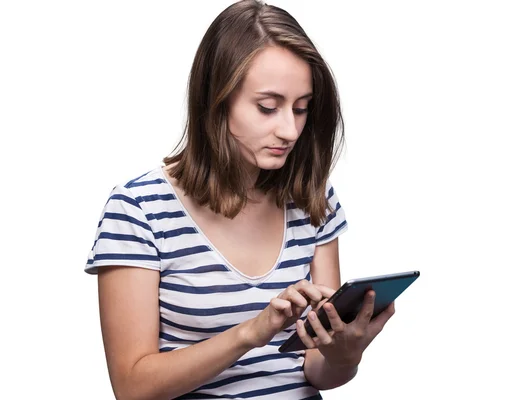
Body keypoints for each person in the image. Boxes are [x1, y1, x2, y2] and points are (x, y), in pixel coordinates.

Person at [85, 1, 396, 399]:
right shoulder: (139, 209)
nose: (290, 129)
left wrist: (343, 355)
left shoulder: (311, 197)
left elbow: (317, 370)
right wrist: (252, 331)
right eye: (268, 107)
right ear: (216, 100)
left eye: (301, 109)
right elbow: (133, 387)